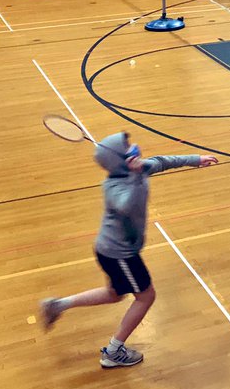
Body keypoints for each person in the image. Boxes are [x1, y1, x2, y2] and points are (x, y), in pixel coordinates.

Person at [38, 132, 219, 368]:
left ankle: (58, 305)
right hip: (119, 254)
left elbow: (163, 161)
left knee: (115, 294)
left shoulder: (139, 169)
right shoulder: (113, 186)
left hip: (111, 250)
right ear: (119, 161)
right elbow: (127, 206)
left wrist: (195, 159)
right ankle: (113, 351)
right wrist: (135, 177)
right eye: (126, 148)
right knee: (146, 296)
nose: (133, 148)